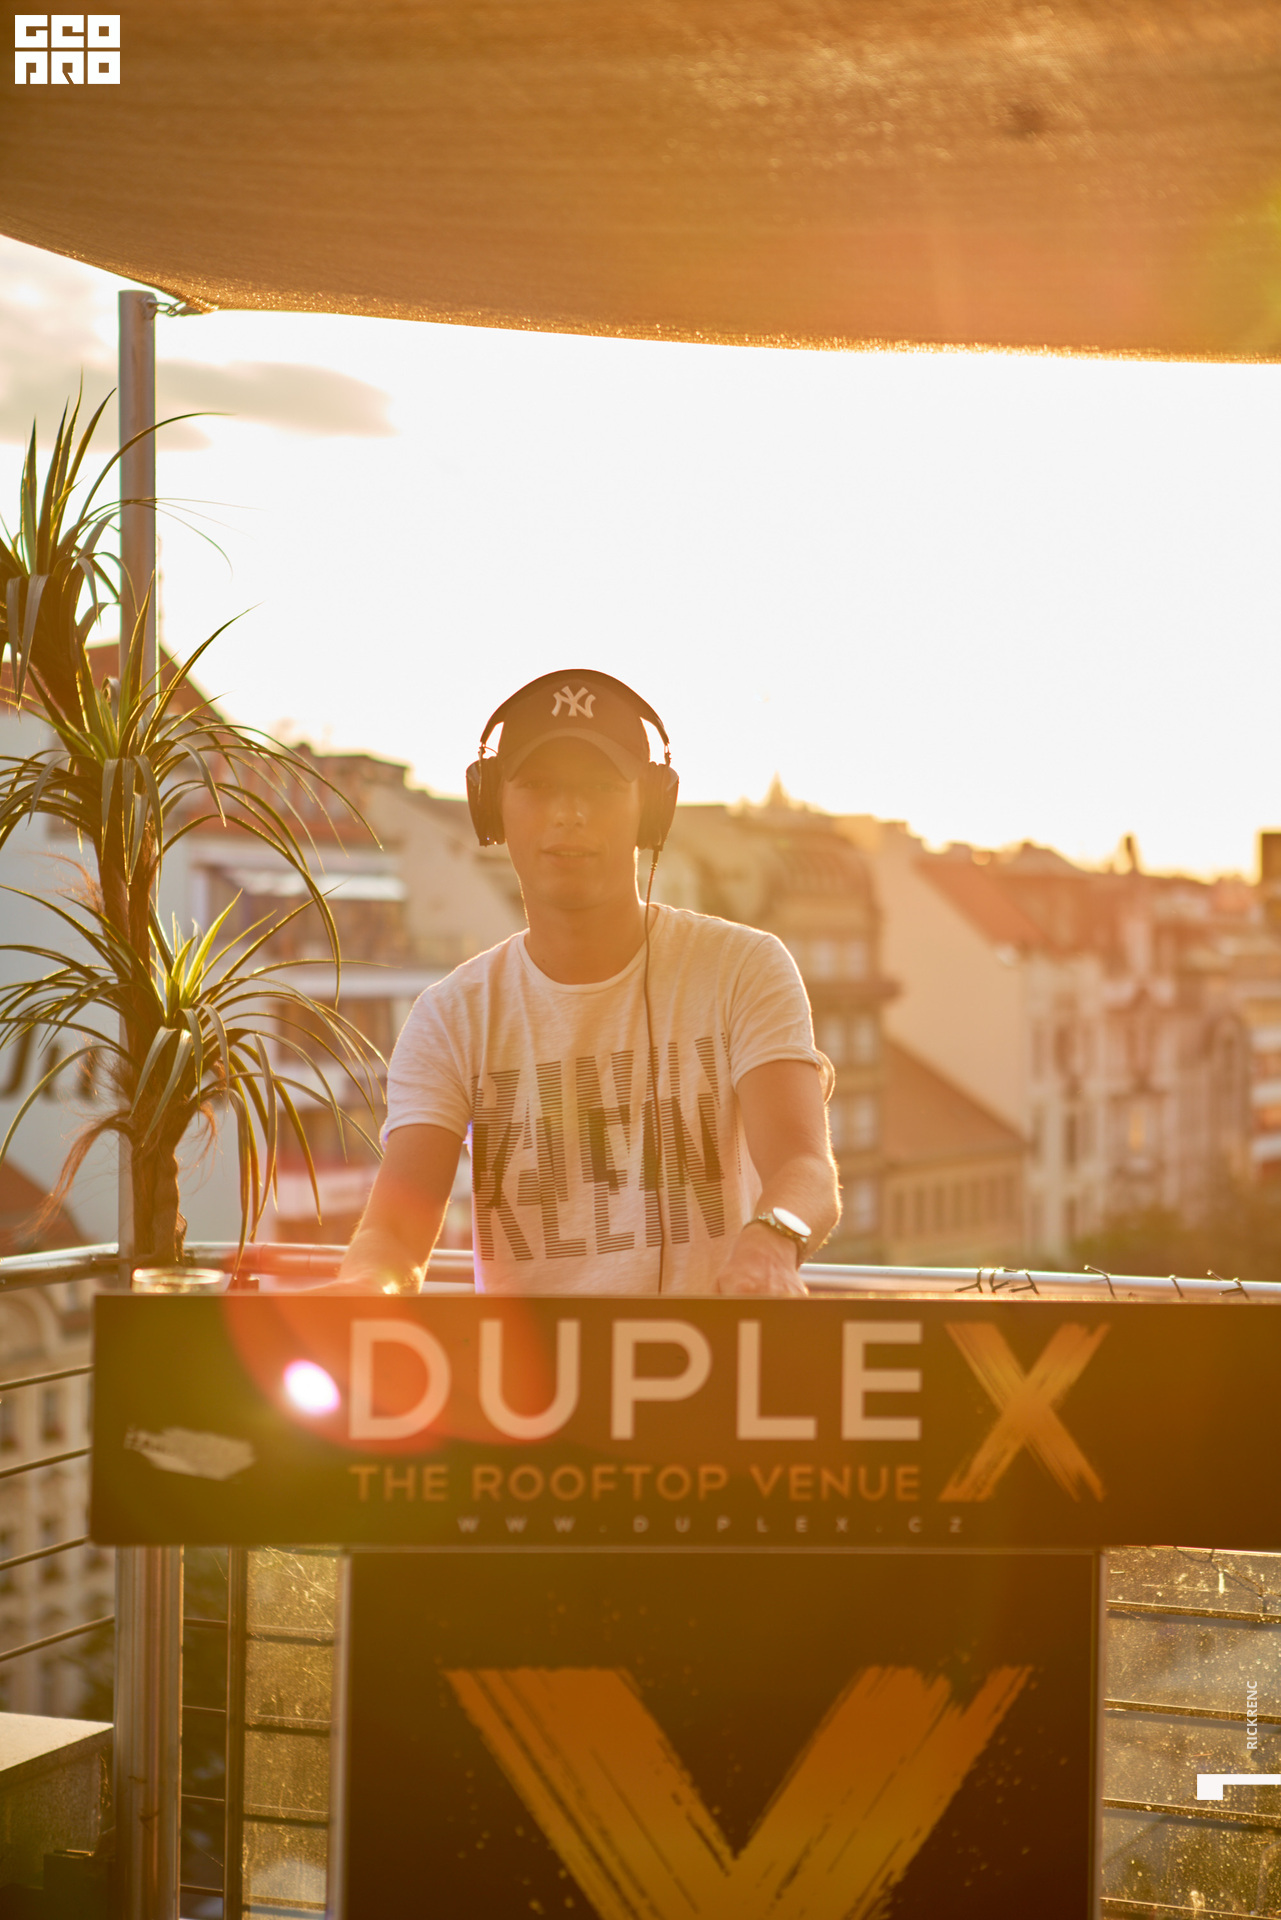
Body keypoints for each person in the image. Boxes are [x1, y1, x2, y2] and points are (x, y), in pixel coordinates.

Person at [337, 669, 840, 1296]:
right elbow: (393, 1234)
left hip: (708, 1353)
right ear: (492, 806)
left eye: (600, 787)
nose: (569, 813)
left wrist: (772, 1239)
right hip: (528, 1364)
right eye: (538, 786)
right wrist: (364, 1287)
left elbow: (804, 1167)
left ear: (649, 809)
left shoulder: (743, 967)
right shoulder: (450, 1017)